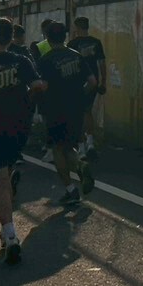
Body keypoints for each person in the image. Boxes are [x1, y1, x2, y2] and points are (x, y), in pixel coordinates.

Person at [0, 18, 44, 263]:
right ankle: (11, 174)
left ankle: (10, 234)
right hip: (17, 124)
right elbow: (38, 85)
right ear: (12, 36)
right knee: (8, 166)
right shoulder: (21, 61)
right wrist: (27, 100)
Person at [34, 21, 96, 205]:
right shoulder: (76, 55)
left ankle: (70, 189)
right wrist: (80, 96)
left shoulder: (45, 60)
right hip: (76, 108)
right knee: (69, 145)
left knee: (58, 149)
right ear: (65, 36)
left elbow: (43, 86)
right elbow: (92, 82)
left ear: (47, 38)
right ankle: (80, 165)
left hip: (55, 109)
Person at [68, 16, 106, 162]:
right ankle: (90, 142)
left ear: (77, 28)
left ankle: (81, 147)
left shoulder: (72, 44)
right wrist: (103, 81)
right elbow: (102, 63)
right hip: (93, 80)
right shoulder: (96, 42)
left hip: (77, 82)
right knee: (88, 111)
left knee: (78, 113)